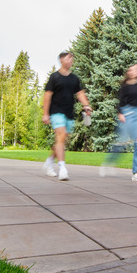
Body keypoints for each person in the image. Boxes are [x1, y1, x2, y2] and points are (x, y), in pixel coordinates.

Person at [42, 51, 92, 181]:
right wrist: (45, 114)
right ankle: (62, 168)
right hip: (56, 112)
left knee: (62, 140)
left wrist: (86, 105)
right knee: (61, 136)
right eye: (68, 58)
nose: (71, 61)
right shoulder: (54, 77)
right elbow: (47, 95)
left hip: (69, 113)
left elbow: (80, 94)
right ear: (62, 60)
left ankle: (49, 162)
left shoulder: (74, 79)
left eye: (72, 59)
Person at [100, 63, 137, 182]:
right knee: (122, 142)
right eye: (130, 70)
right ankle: (108, 163)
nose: (132, 72)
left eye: (135, 70)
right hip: (127, 113)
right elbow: (120, 101)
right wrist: (120, 113)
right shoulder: (125, 85)